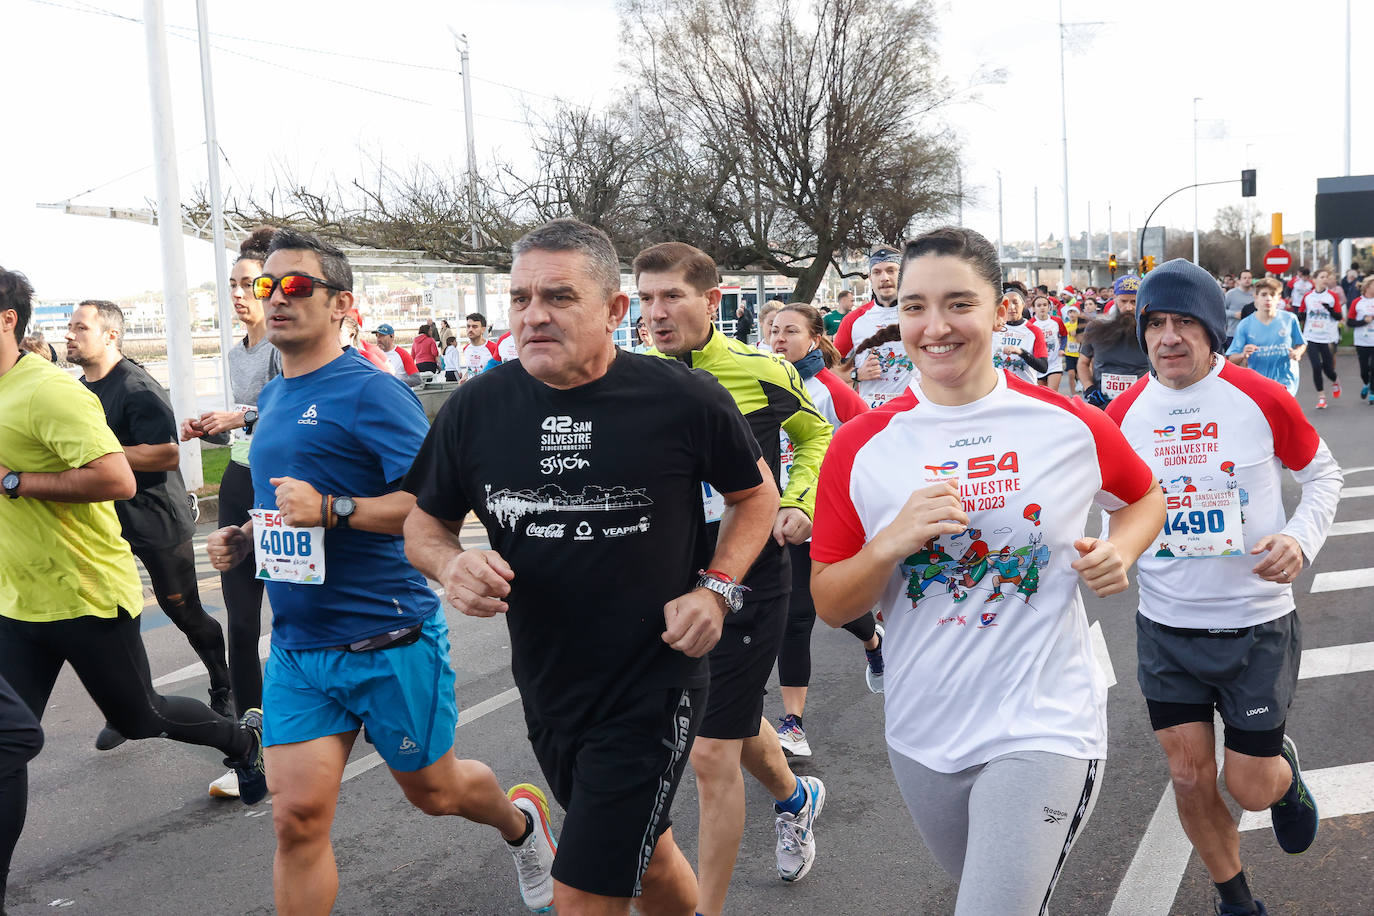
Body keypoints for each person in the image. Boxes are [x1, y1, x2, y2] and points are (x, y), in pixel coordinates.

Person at [403, 218, 778, 916]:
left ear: (613, 310)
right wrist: (450, 565)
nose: (533, 315)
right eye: (519, 299)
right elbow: (425, 524)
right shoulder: (477, 408)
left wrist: (716, 590)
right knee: (652, 853)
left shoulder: (682, 398)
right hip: (549, 683)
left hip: (653, 680)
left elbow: (756, 497)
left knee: (581, 893)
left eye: (558, 297)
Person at [809, 227, 1163, 914]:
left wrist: (1121, 550)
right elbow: (828, 600)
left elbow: (1143, 495)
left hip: (1045, 723)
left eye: (958, 304)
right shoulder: (861, 447)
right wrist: (889, 544)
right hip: (922, 732)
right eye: (914, 307)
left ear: (1001, 309)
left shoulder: (1064, 423)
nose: (934, 327)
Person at [204, 229, 555, 914]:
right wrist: (247, 537)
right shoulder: (274, 397)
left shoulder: (373, 391)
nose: (274, 298)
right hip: (301, 650)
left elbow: (434, 507)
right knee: (295, 819)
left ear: (341, 303)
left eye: (296, 285)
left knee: (436, 792)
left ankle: (521, 825)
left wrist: (335, 510)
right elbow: (288, 504)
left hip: (386, 639)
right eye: (264, 286)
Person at [0, 265, 267, 909]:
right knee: (6, 745)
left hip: (86, 591)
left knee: (140, 717)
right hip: (16, 600)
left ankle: (242, 741)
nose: (72, 333)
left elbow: (120, 478)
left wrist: (14, 482)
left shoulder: (49, 393)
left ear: (6, 318)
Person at [1105, 258, 1343, 916]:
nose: (1168, 337)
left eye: (1185, 322)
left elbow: (1325, 478)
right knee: (1186, 773)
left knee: (1251, 783)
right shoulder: (1122, 413)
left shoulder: (1260, 399)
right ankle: (1235, 898)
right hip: (1167, 625)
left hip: (1257, 622)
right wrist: (1112, 548)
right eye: (1155, 323)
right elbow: (1110, 504)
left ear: (1213, 333)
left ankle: (1283, 781)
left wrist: (1298, 540)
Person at [636, 240, 833, 913]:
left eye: (673, 297)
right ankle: (795, 796)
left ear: (713, 301)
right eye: (646, 298)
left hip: (748, 576)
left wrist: (800, 502)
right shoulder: (629, 378)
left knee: (709, 752)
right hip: (666, 580)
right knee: (734, 720)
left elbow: (817, 438)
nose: (657, 313)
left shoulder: (762, 369)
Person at [67, 299, 234, 745]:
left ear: (110, 335)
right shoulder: (79, 389)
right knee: (114, 616)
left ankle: (224, 685)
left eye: (80, 327)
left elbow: (167, 453)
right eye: (70, 326)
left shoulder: (137, 386)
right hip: (105, 521)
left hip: (156, 517)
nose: (70, 334)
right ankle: (130, 710)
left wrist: (104, 457)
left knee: (183, 611)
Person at [179, 228, 282, 797]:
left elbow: (286, 413)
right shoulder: (238, 351)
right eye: (235, 285)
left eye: (252, 284)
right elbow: (248, 430)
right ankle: (252, 748)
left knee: (299, 615)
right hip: (243, 482)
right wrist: (214, 430)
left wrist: (237, 417)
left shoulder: (288, 347)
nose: (241, 295)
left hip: (284, 487)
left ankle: (343, 711)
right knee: (243, 622)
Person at [767, 302, 883, 758]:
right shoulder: (759, 379)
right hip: (771, 511)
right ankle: (788, 719)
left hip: (821, 514)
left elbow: (871, 439)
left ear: (813, 339)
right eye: (774, 330)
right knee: (789, 612)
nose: (779, 338)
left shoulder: (829, 389)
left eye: (790, 331)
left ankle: (871, 640)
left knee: (807, 609)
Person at [835, 245, 914, 407]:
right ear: (870, 278)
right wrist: (857, 374)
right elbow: (829, 370)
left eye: (891, 270)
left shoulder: (921, 313)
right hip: (871, 412)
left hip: (914, 411)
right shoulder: (853, 319)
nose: (884, 277)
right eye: (877, 272)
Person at [1078, 275, 1150, 407]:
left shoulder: (1150, 329)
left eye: (1134, 302)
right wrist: (1090, 389)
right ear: (1115, 299)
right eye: (1123, 301)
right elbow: (1082, 363)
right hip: (1103, 405)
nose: (1129, 307)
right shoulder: (1096, 326)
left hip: (1140, 406)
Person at [1226, 278, 1306, 395]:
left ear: (1278, 298)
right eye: (1264, 294)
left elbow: (1301, 344)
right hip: (1258, 383)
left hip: (1286, 383)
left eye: (1272, 295)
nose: (1268, 298)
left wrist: (1298, 352)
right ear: (1256, 297)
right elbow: (1232, 358)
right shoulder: (1245, 324)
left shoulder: (1289, 319)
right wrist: (1243, 354)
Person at [1298, 268, 1343, 408]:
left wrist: (1329, 309)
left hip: (1328, 337)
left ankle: (1335, 380)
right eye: (1322, 277)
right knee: (1316, 367)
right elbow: (1301, 314)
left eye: (1327, 277)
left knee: (1328, 369)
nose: (1325, 279)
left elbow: (1339, 317)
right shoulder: (1308, 296)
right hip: (1311, 336)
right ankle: (1321, 397)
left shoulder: (1332, 296)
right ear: (1315, 279)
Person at [992, 282, 1048, 384]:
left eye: (1015, 302)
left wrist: (1021, 352)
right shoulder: (993, 328)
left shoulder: (1034, 331)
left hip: (1025, 390)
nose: (1011, 307)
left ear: (1023, 304)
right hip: (998, 390)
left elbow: (1043, 367)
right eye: (1007, 303)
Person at [1032, 293, 1068, 393]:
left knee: (1052, 393)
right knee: (1043, 395)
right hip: (1038, 364)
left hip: (1054, 362)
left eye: (1044, 305)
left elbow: (1064, 335)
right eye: (1038, 306)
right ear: (1034, 308)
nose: (1042, 308)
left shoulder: (1057, 321)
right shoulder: (1031, 324)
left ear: (1049, 307)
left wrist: (1062, 348)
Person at [1347, 276, 1374, 401]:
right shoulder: (1357, 302)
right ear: (1367, 287)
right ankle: (1366, 383)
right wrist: (1364, 321)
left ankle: (1372, 392)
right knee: (1364, 370)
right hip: (1362, 340)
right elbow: (1350, 322)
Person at [459, 312, 501, 377]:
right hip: (472, 386)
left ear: (483, 329)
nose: (470, 329)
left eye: (474, 327)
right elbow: (470, 370)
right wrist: (464, 377)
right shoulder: (466, 348)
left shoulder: (494, 347)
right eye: (468, 326)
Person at [1223, 269, 1254, 349]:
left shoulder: (1256, 294)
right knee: (1233, 360)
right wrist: (1234, 314)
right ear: (1239, 280)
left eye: (1249, 278)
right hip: (1233, 333)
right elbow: (1220, 310)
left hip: (1252, 334)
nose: (1247, 280)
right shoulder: (1231, 294)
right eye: (1244, 278)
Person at [1062, 303, 1085, 392]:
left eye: (1074, 312)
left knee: (1079, 374)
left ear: (1078, 314)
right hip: (1069, 353)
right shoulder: (1066, 325)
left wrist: (1077, 333)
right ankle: (1073, 394)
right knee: (1071, 374)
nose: (1072, 314)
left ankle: (1080, 382)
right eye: (1070, 312)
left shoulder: (1080, 325)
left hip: (1079, 353)